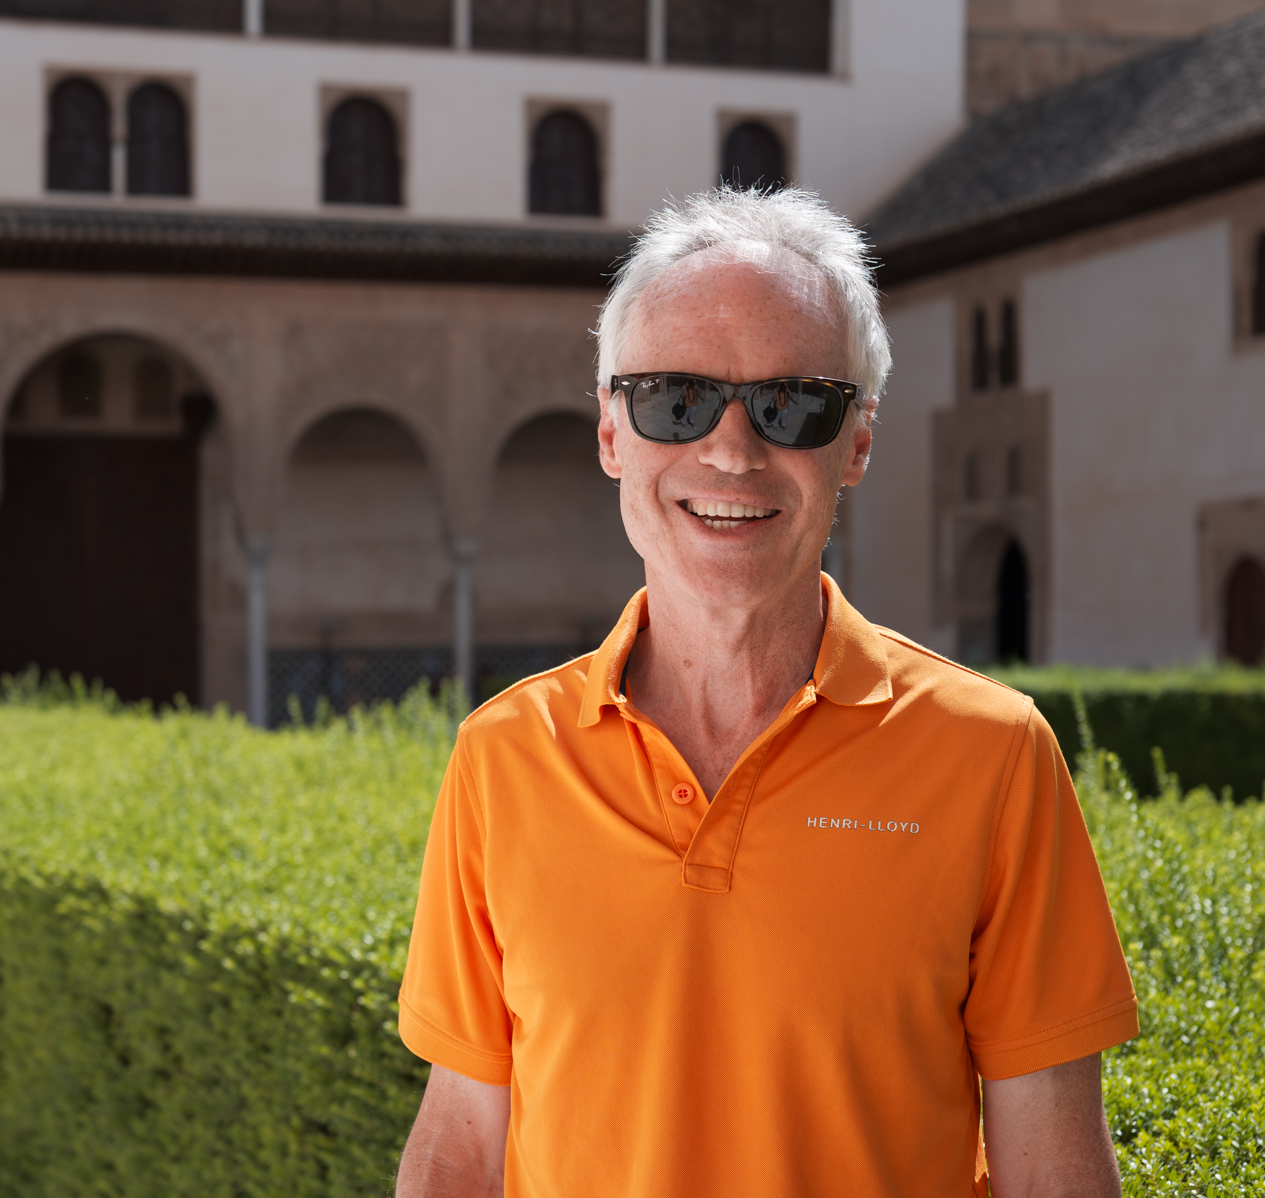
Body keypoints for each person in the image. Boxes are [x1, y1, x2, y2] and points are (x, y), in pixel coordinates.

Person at [394, 188, 1137, 1198]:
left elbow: (1053, 1176)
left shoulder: (994, 756)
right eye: (675, 400)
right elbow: (464, 1145)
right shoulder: (503, 757)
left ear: (858, 442)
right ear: (613, 431)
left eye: (792, 405)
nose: (732, 451)